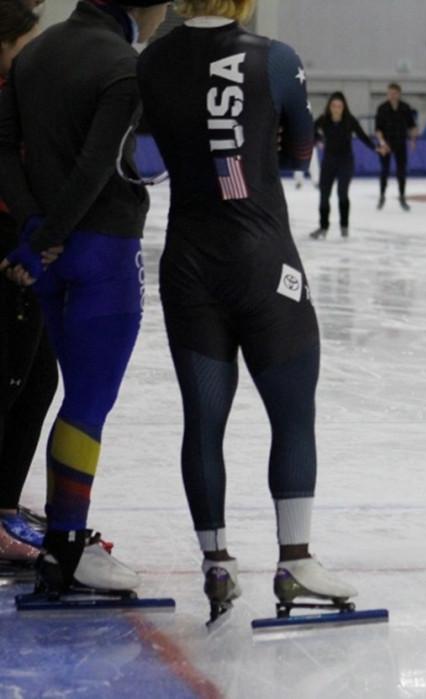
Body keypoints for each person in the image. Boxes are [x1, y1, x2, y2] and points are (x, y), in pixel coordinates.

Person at [138, 0, 354, 620]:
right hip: (263, 262)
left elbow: (142, 143)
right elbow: (300, 154)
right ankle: (296, 558)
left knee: (203, 420)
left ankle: (216, 561)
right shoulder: (275, 59)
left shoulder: (151, 61)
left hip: (188, 262)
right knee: (292, 415)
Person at [0, 0, 169, 594]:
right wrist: (52, 233)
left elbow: (3, 149)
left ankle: (62, 541)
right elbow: (114, 166)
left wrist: (32, 231)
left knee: (68, 398)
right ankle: (68, 548)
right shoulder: (125, 64)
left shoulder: (35, 53)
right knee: (87, 404)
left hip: (46, 256)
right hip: (102, 253)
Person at [0, 0, 58, 567]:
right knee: (16, 380)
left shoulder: (20, 88)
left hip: (24, 243)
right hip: (9, 248)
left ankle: (6, 505)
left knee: (37, 379)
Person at [309, 91, 376, 239]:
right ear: (330, 107)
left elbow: (362, 136)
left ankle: (344, 226)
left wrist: (375, 148)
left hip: (345, 162)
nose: (336, 108)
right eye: (334, 105)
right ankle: (323, 227)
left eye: (339, 106)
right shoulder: (324, 119)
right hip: (328, 162)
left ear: (344, 107)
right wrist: (318, 138)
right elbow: (310, 130)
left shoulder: (349, 120)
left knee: (342, 194)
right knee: (324, 195)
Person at [375, 82, 416, 211]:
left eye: (394, 93)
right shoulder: (382, 108)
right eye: (390, 93)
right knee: (384, 171)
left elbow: (412, 126)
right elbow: (378, 129)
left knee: (401, 172)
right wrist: (382, 143)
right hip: (385, 144)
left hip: (401, 143)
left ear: (399, 94)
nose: (392, 95)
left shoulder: (405, 108)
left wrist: (413, 140)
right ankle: (382, 196)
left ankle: (402, 197)